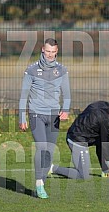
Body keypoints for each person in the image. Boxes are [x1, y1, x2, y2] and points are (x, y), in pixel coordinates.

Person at [18, 38, 71, 199]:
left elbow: (67, 94)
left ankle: (43, 177)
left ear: (57, 52)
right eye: (48, 51)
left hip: (54, 115)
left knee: (49, 150)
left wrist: (66, 110)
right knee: (41, 147)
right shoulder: (31, 70)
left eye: (53, 52)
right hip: (36, 114)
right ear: (42, 49)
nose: (50, 55)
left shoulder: (62, 70)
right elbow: (23, 95)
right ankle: (39, 183)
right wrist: (22, 116)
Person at [49, 98, 109, 179]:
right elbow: (105, 141)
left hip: (75, 134)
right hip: (77, 140)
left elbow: (101, 142)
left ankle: (106, 172)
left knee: (99, 141)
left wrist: (106, 169)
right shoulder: (107, 118)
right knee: (83, 176)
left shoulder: (99, 103)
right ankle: (51, 168)